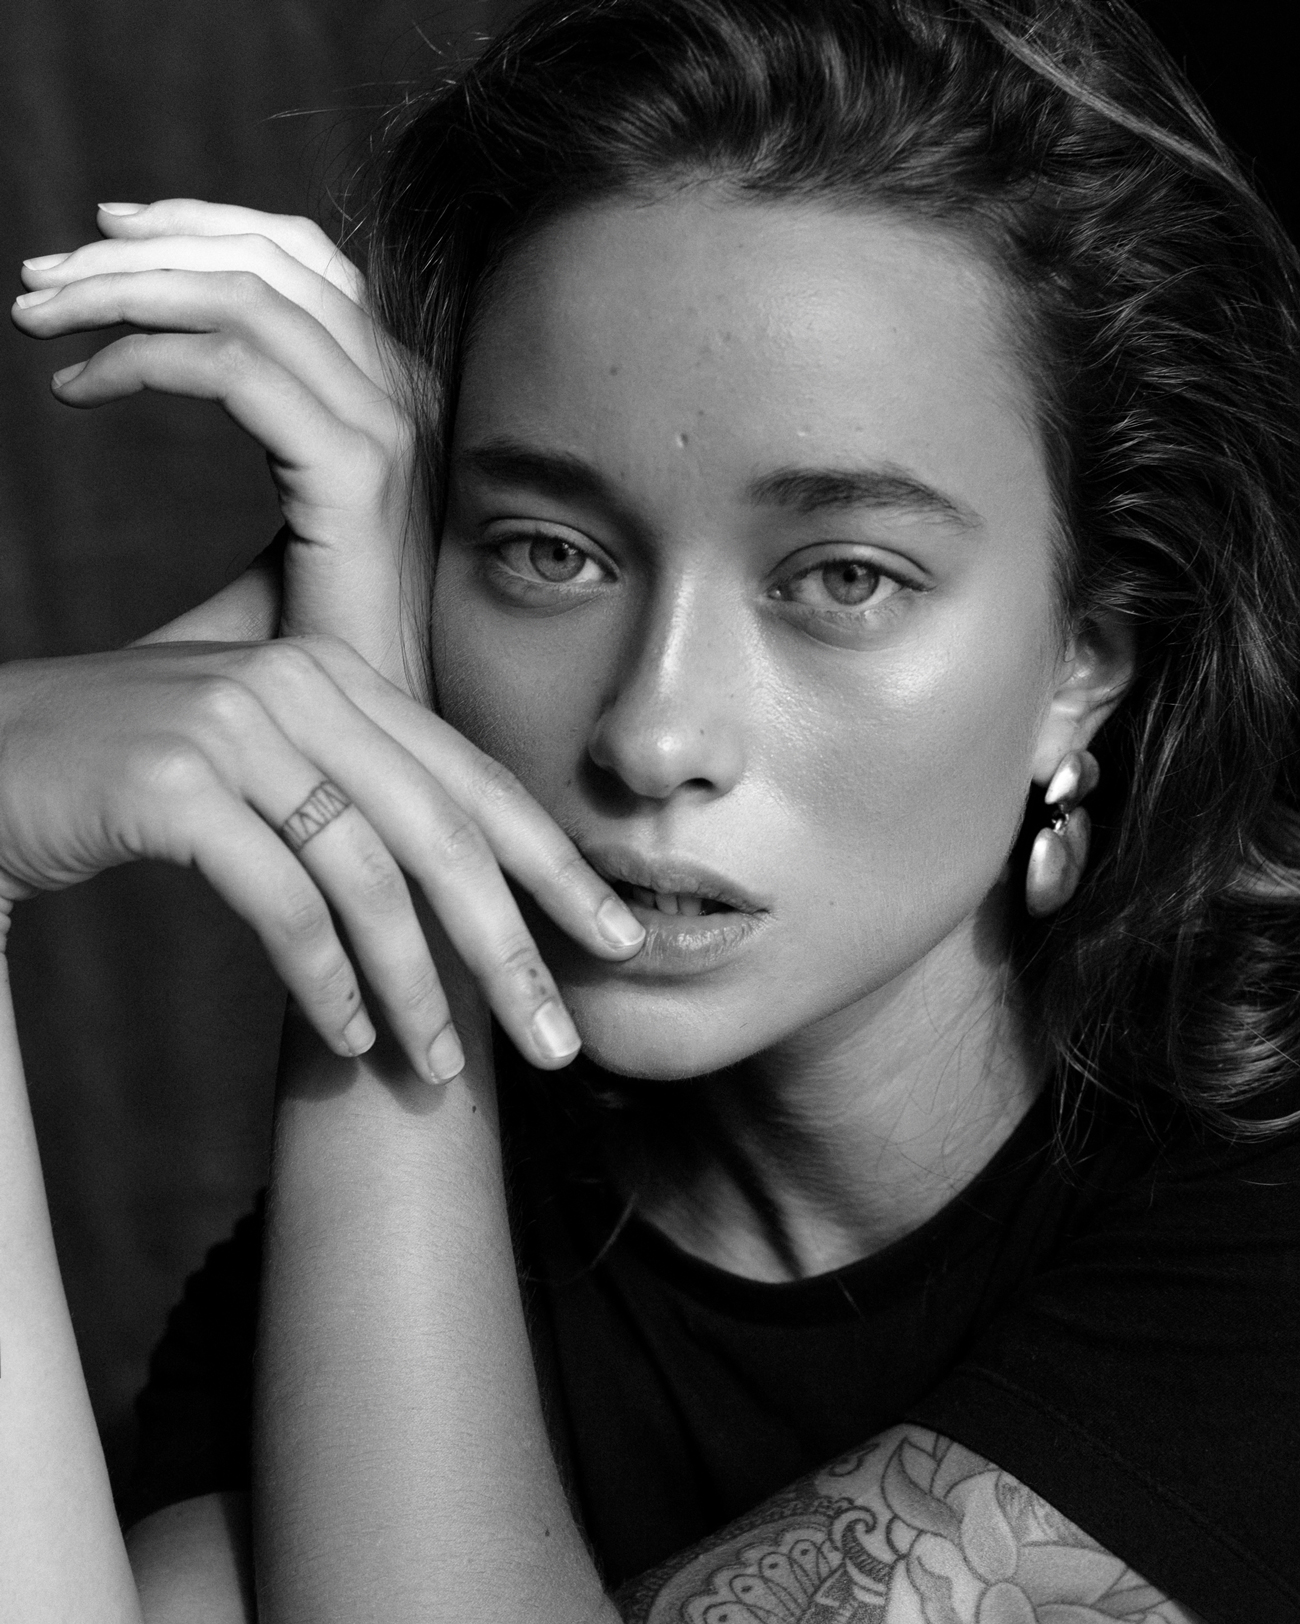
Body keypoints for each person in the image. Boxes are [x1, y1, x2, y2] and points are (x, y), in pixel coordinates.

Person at [3, 0, 1299, 1618]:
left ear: (1085, 660)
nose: (652, 733)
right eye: (550, 552)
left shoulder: (1263, 1222)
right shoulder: (375, 1266)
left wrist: (374, 824)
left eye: (844, 578)